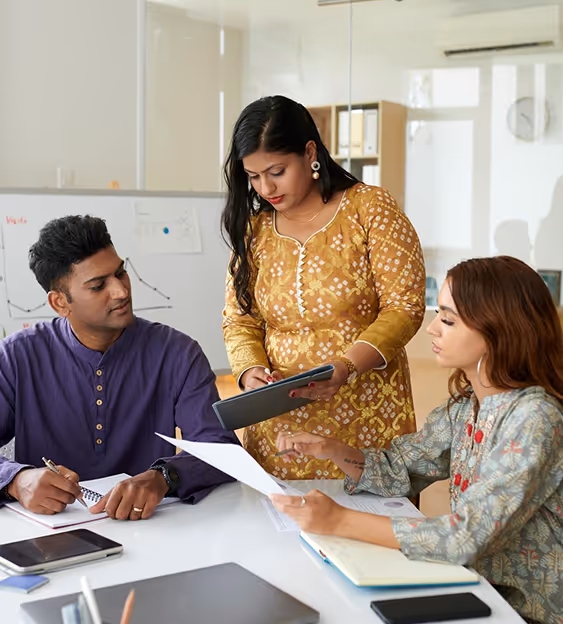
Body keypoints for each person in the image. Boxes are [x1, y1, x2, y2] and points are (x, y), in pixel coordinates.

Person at [271, 256, 563, 624]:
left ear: (499, 330)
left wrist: (338, 521)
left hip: (526, 613)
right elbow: (401, 469)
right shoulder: (467, 407)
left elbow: (465, 536)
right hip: (476, 590)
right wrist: (332, 449)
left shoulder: (534, 418)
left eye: (448, 319)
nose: (432, 329)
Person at [221, 95, 426, 479]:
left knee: (364, 529)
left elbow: (404, 306)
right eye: (253, 176)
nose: (265, 187)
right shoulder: (255, 231)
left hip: (366, 416)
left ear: (310, 152)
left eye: (276, 171)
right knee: (278, 532)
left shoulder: (370, 209)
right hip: (280, 429)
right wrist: (251, 374)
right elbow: (240, 321)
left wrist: (347, 366)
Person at [0, 216, 239, 520]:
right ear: (60, 303)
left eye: (121, 273)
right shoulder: (17, 357)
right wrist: (16, 481)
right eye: (98, 285)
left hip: (153, 527)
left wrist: (164, 476)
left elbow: (219, 449)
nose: (121, 291)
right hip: (48, 535)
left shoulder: (177, 352)